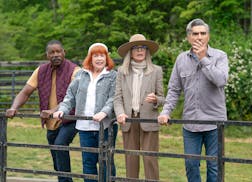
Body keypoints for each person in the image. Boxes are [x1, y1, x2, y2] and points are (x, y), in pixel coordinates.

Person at [158, 18, 229, 182]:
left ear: (208, 36)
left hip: (214, 122)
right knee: (191, 164)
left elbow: (220, 81)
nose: (199, 37)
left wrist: (204, 58)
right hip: (190, 122)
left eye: (203, 33)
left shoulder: (220, 56)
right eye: (195, 34)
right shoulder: (181, 59)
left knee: (214, 165)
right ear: (189, 37)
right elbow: (174, 89)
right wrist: (166, 112)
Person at [5, 40, 80, 182]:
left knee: (59, 145)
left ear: (64, 53)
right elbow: (25, 92)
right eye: (52, 52)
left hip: (70, 119)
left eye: (58, 51)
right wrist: (13, 107)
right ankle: (63, 179)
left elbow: (72, 97)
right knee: (57, 159)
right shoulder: (40, 71)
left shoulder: (75, 71)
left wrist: (52, 110)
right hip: (50, 122)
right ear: (47, 55)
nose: (56, 55)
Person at [53, 43, 118, 182]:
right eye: (96, 55)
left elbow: (114, 98)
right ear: (90, 58)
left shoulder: (112, 75)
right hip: (85, 126)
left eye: (102, 55)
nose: (99, 59)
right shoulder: (81, 75)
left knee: (106, 162)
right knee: (88, 163)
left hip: (105, 126)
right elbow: (70, 95)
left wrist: (104, 112)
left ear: (107, 58)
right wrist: (62, 110)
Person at [114, 34, 165, 180]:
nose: (140, 51)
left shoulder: (156, 70)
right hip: (128, 121)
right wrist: (120, 113)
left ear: (147, 51)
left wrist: (156, 99)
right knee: (131, 160)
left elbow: (163, 98)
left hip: (149, 120)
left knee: (150, 159)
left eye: (143, 47)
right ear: (130, 51)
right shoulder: (122, 71)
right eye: (136, 48)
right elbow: (117, 98)